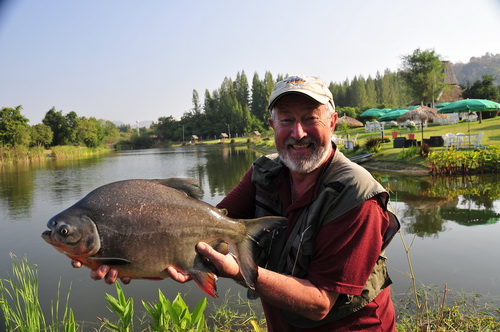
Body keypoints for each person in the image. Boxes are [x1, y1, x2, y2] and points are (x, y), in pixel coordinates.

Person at [73, 75, 400, 331]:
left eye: (310, 118)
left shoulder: (358, 196)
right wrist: (137, 259)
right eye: (286, 120)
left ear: (332, 122)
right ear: (272, 125)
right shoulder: (265, 173)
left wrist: (237, 271)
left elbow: (319, 303)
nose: (298, 132)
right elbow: (204, 232)